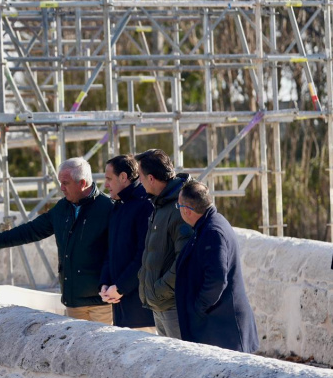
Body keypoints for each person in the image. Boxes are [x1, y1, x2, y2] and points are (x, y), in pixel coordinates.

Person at [0, 158, 113, 323]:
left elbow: (119, 252)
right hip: (74, 302)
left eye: (66, 183)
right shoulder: (62, 209)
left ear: (82, 183)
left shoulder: (108, 208)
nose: (61, 188)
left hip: (103, 303)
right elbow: (30, 231)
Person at [174, 181, 259, 352]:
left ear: (186, 210)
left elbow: (217, 279)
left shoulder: (213, 232)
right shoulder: (208, 224)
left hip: (223, 329)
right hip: (218, 327)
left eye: (178, 205)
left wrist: (198, 309)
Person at [135, 149, 192, 338]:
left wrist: (160, 290)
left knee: (183, 363)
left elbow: (184, 259)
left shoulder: (180, 207)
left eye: (140, 176)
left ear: (151, 178)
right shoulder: (160, 203)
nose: (139, 181)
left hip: (172, 306)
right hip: (159, 304)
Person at [99, 155, 156, 332]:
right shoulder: (118, 206)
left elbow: (144, 256)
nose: (106, 185)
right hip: (120, 305)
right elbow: (111, 251)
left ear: (123, 177)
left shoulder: (144, 205)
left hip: (141, 311)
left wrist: (120, 287)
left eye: (109, 179)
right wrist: (105, 284)